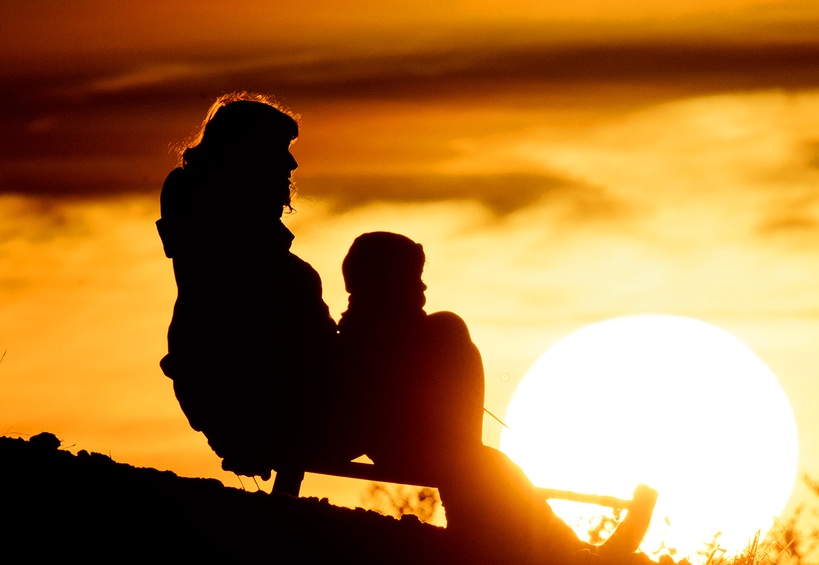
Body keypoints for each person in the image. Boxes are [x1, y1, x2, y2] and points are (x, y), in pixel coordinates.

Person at [336, 232, 596, 562]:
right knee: (485, 464)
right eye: (414, 279)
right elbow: (362, 417)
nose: (424, 288)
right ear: (388, 284)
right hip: (412, 447)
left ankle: (566, 547)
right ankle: (568, 551)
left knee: (492, 464)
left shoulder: (369, 335)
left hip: (436, 448)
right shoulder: (360, 343)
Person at [157, 93, 346, 479]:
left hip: (247, 403)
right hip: (261, 408)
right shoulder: (234, 253)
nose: (292, 164)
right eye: (280, 151)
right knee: (445, 334)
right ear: (247, 155)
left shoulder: (237, 245)